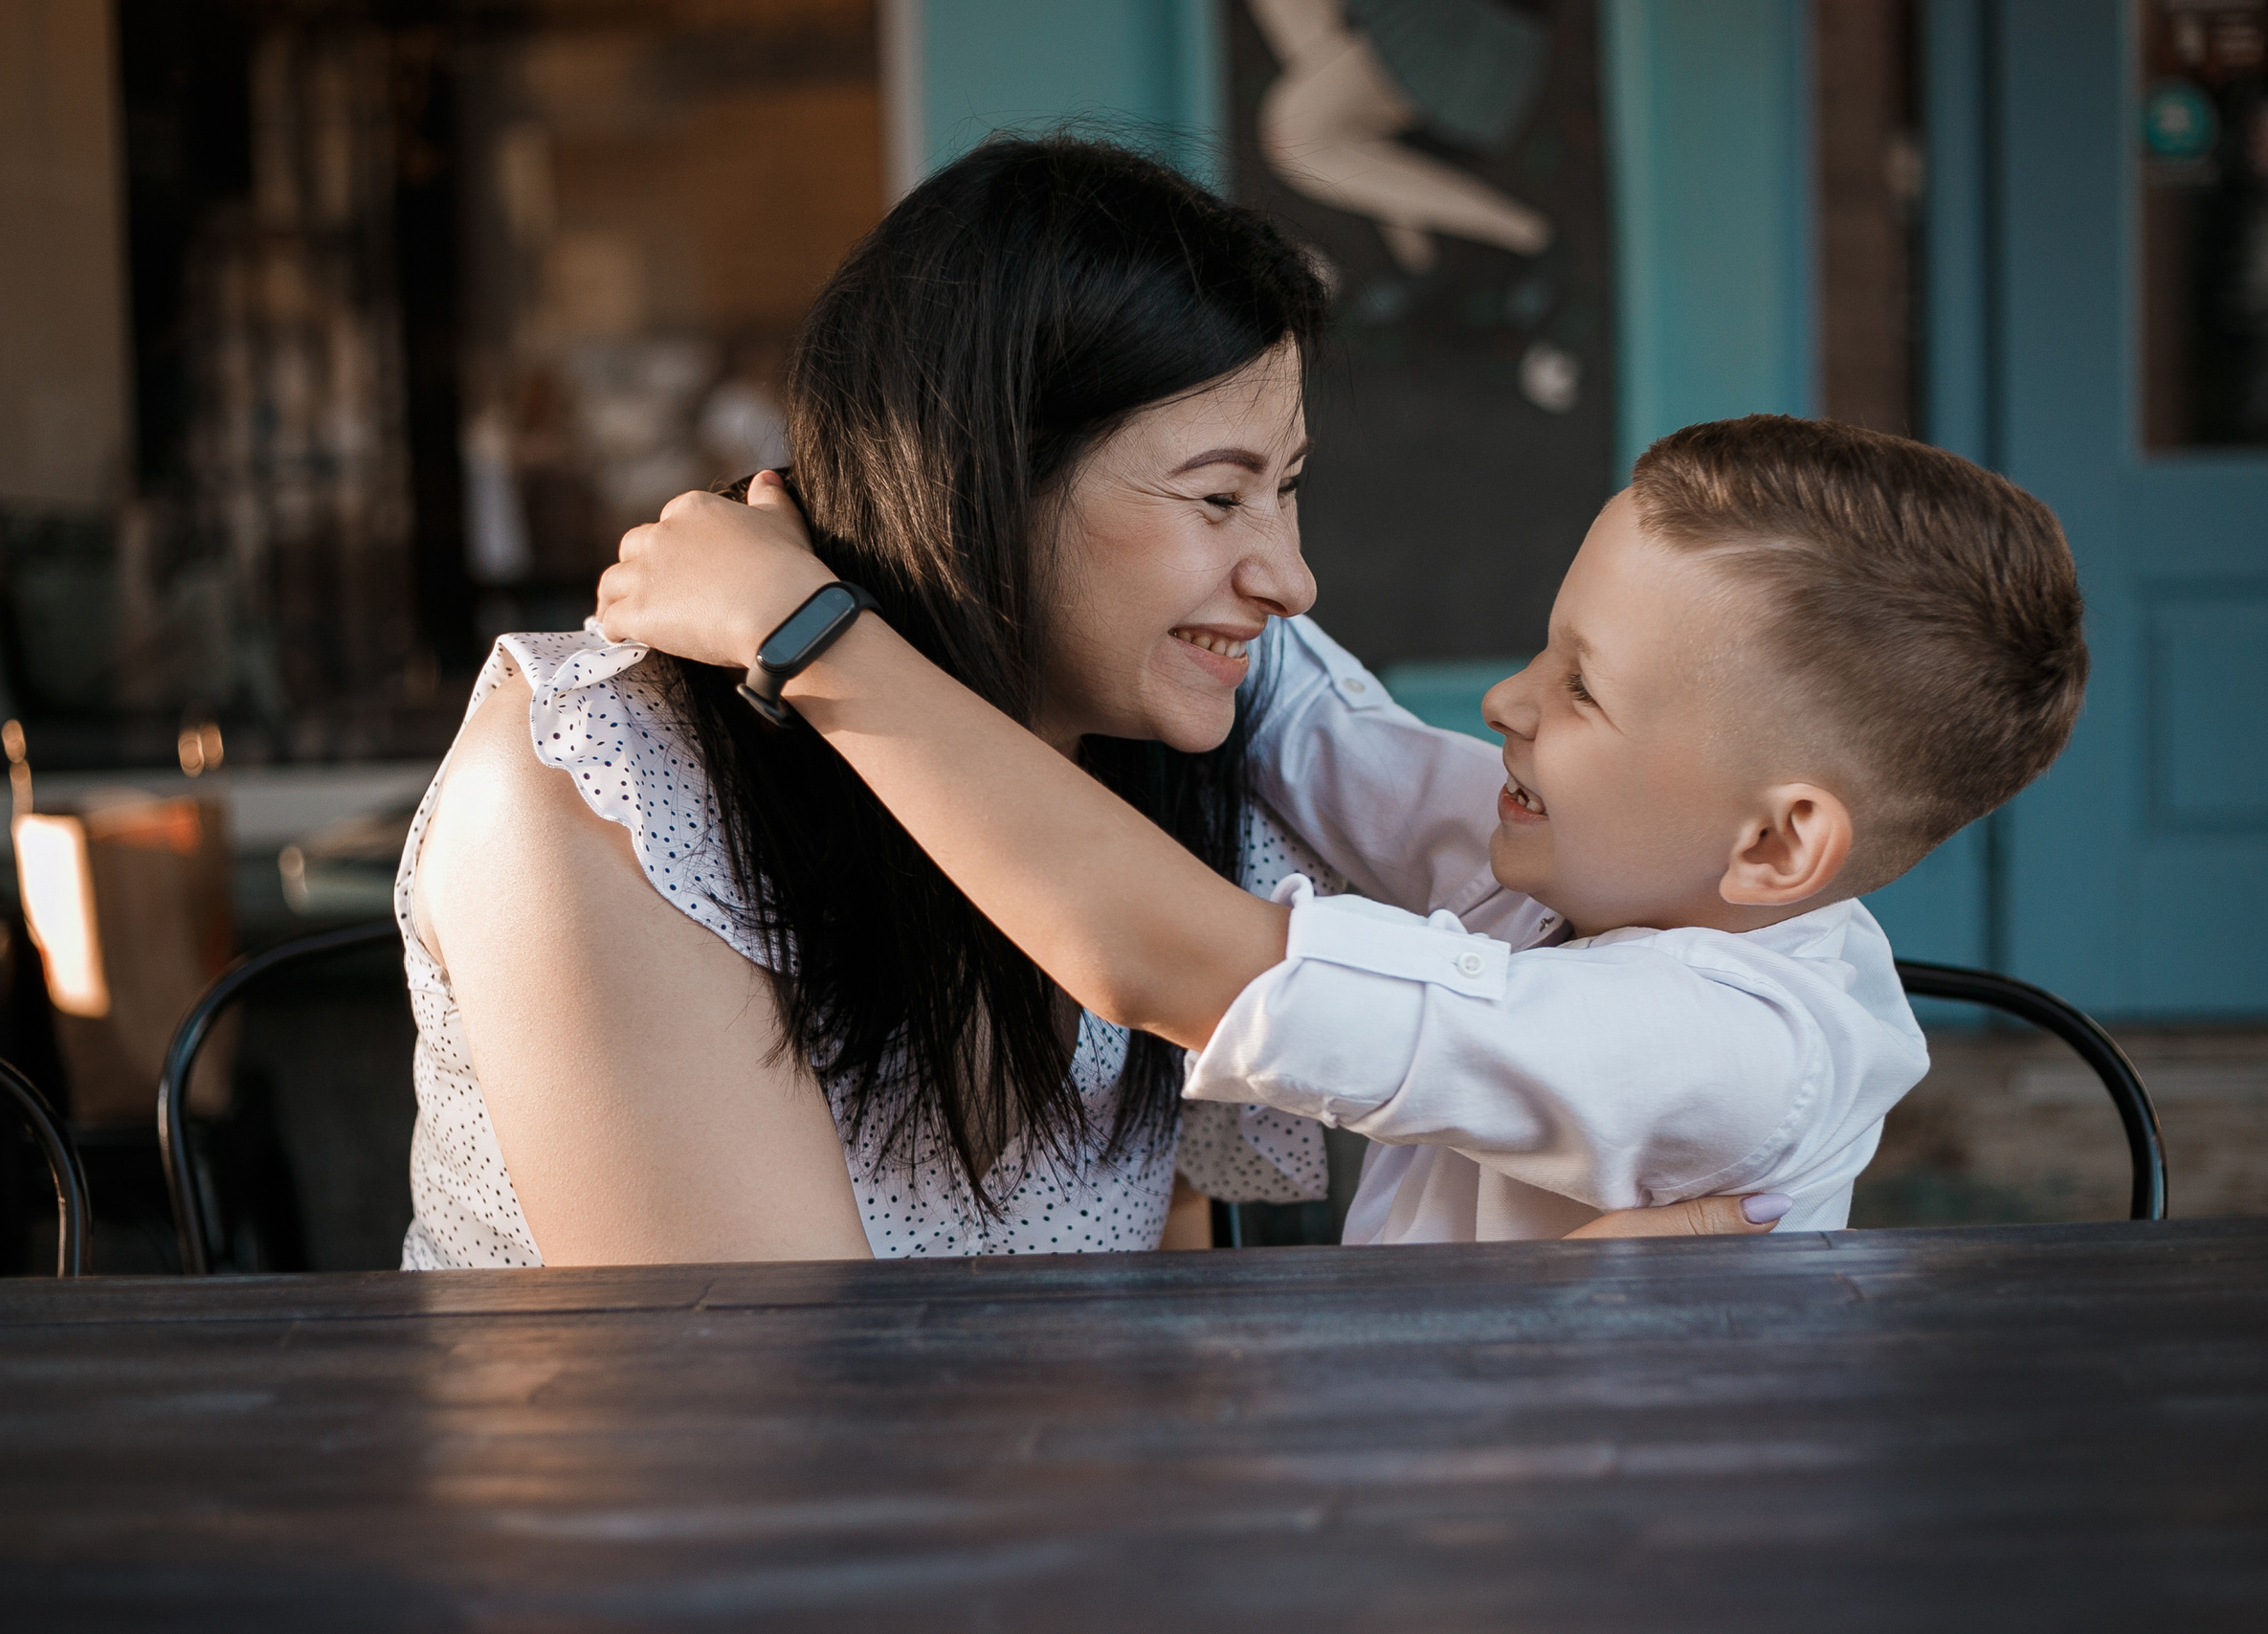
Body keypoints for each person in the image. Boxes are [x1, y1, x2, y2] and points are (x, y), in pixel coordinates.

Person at [402, 135, 1760, 1268]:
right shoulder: (602, 778)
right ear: (984, 479)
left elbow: (1167, 1332)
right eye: (1219, 495)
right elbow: (757, 1423)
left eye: (1286, 489)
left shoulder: (1166, 754)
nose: (1287, 575)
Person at [595, 414, 2089, 1242]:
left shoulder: (1736, 1046)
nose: (1509, 699)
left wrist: (810, 632)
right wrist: (1093, 492)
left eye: (1583, 690)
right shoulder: (1601, 860)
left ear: (1777, 848)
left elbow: (1170, 961)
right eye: (1541, 646)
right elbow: (1319, 732)